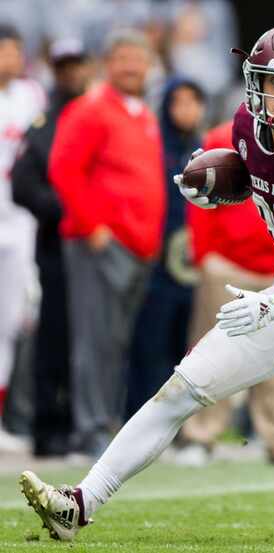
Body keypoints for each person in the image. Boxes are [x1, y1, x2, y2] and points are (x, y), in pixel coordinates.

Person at [20, 22, 274, 542]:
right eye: (273, 82)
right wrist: (220, 190)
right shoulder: (243, 127)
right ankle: (79, 502)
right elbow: (273, 188)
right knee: (181, 388)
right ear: (253, 80)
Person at [48, 29, 166, 458]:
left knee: (114, 342)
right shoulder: (91, 109)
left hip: (136, 248)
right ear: (107, 63)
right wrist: (94, 227)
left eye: (140, 57)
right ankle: (90, 430)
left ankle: (103, 425)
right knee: (95, 341)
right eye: (124, 57)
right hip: (101, 244)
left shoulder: (143, 115)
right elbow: (63, 168)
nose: (133, 66)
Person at [177, 120, 274, 467]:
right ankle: (201, 435)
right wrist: (205, 257)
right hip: (228, 262)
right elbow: (197, 189)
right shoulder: (220, 135)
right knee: (212, 353)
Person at [10, 38, 92, 457]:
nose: (72, 73)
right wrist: (66, 211)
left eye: (77, 65)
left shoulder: (97, 114)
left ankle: (87, 425)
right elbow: (23, 185)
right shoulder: (46, 124)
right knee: (55, 337)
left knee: (93, 340)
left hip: (96, 248)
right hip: (58, 247)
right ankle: (48, 427)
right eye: (65, 67)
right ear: (55, 72)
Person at [124, 77, 205, 418]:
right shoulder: (154, 145)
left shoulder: (206, 150)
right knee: (150, 342)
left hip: (192, 260)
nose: (185, 110)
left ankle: (178, 423)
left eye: (192, 101)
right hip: (158, 261)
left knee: (185, 344)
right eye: (178, 102)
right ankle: (140, 417)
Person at [0, 23, 45, 451]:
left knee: (12, 322)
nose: (8, 59)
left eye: (14, 51)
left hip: (19, 222)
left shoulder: (31, 95)